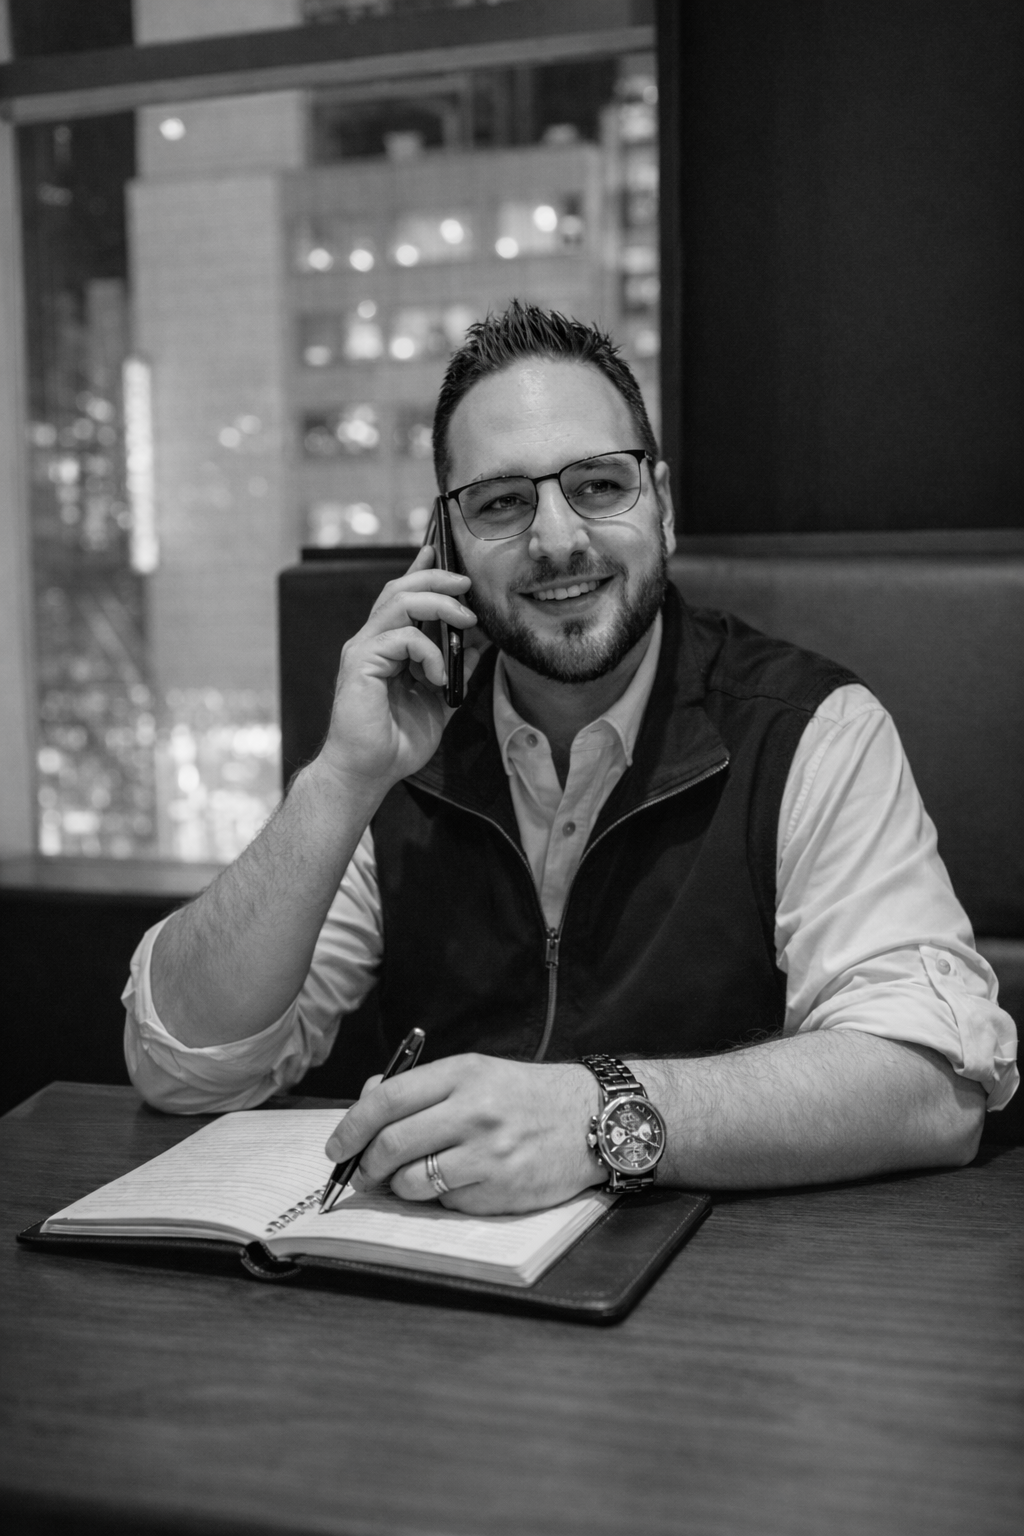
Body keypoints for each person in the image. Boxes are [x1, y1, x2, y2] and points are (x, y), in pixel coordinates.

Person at [124, 302, 1017, 1215]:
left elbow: (930, 1087)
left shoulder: (811, 730)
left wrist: (602, 1116)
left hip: (725, 1308)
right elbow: (183, 1067)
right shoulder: (397, 749)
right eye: (503, 503)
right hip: (431, 1305)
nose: (556, 539)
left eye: (598, 485)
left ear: (661, 507)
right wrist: (342, 779)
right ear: (446, 545)